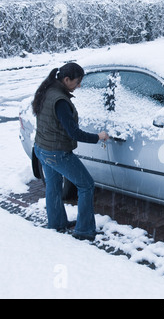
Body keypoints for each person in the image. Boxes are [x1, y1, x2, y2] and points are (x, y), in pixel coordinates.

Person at [32, 62, 109, 241]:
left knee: (53, 186)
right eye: (77, 81)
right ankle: (84, 230)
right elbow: (73, 132)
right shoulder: (60, 101)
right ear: (66, 79)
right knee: (86, 185)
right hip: (56, 152)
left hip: (42, 148)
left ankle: (57, 223)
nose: (79, 85)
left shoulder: (47, 90)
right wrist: (99, 136)